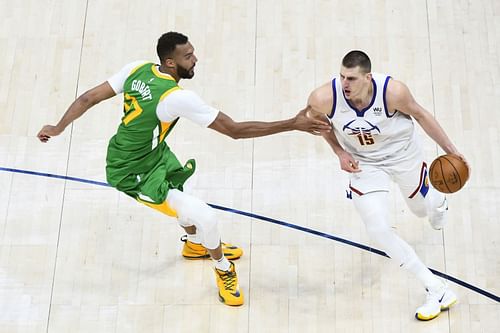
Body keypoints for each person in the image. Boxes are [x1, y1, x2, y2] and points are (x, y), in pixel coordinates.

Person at [37, 31, 332, 307]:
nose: (195, 59)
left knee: (181, 195)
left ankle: (193, 245)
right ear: (170, 62)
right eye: (188, 56)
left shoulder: (138, 69)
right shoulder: (177, 98)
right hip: (132, 173)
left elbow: (89, 97)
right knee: (206, 216)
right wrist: (292, 124)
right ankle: (223, 269)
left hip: (149, 154)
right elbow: (234, 130)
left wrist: (58, 127)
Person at [305, 50, 469, 320]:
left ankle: (438, 200)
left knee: (420, 211)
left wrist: (452, 151)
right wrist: (339, 152)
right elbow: (316, 122)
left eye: (352, 78)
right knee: (379, 229)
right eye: (342, 76)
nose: (345, 84)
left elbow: (422, 116)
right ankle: (436, 289)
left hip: (404, 155)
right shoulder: (324, 98)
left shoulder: (393, 92)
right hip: (365, 165)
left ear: (368, 77)